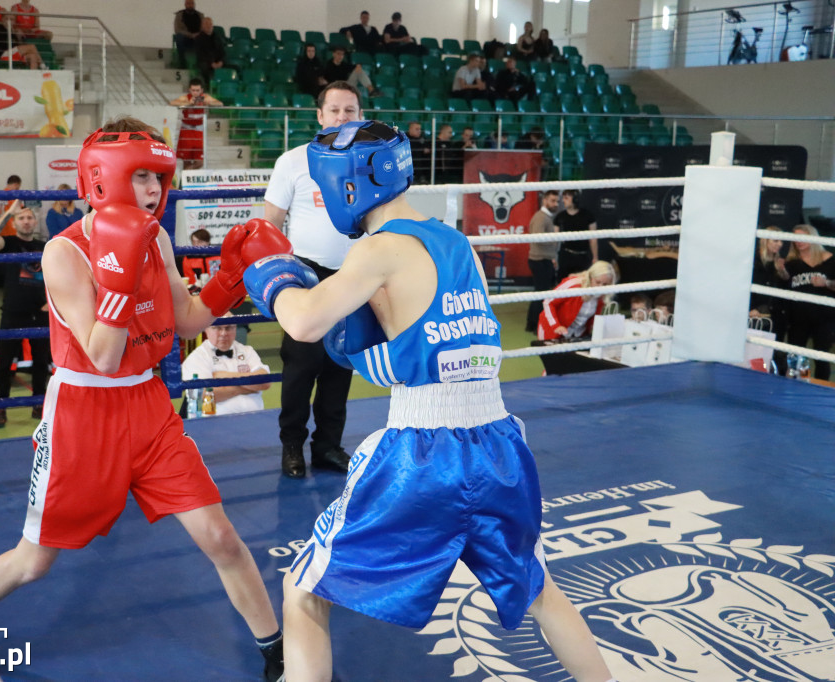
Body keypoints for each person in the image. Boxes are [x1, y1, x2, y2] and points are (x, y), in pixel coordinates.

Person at [241, 119, 615, 682]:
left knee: (303, 590)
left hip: (423, 455)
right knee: (541, 591)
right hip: (497, 443)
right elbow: (450, 346)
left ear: (348, 187)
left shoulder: (377, 251)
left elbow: (306, 322)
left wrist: (273, 276)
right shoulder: (454, 239)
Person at [0, 116, 288, 681]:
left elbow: (186, 323)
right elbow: (102, 355)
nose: (155, 190)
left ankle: (278, 656)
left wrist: (231, 277)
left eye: (160, 176)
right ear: (104, 178)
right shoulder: (65, 254)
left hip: (150, 408)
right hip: (83, 416)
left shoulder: (156, 237)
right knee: (34, 562)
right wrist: (119, 274)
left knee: (220, 536)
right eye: (141, 177)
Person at [262, 82, 361, 478]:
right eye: (334, 110)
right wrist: (278, 276)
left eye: (350, 111)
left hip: (355, 273)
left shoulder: (366, 161)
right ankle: (292, 447)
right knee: (301, 365)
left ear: (360, 115)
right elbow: (269, 224)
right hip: (304, 272)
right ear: (319, 116)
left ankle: (328, 446)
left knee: (341, 363)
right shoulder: (293, 161)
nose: (341, 117)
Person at [0, 201, 50, 427]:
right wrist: (8, 211)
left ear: (35, 222)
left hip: (39, 313)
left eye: (29, 218)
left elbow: (56, 276)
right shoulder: (9, 243)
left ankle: (39, 402)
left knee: (41, 361)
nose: (26, 221)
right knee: (4, 362)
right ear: (15, 222)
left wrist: (51, 303)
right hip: (13, 312)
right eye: (21, 218)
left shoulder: (44, 246)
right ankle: (0, 406)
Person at [182, 312, 272, 416]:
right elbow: (204, 395)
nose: (224, 333)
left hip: (254, 420)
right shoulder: (197, 358)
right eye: (218, 328)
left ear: (235, 328)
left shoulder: (247, 351)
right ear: (206, 329)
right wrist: (249, 386)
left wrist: (222, 376)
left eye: (229, 327)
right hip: (213, 425)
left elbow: (265, 382)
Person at [784, 224, 835, 380]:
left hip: (824, 317)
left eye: (803, 238)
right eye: (796, 238)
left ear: (812, 237)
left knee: (821, 356)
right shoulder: (791, 263)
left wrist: (826, 283)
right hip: (798, 316)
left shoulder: (830, 260)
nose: (799, 242)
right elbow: (785, 285)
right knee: (798, 355)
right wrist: (782, 272)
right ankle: (801, 383)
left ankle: (821, 389)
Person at [538, 260, 616, 342]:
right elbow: (548, 302)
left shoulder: (603, 295)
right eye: (598, 282)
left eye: (605, 284)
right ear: (590, 277)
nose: (600, 287)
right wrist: (556, 325)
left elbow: (593, 319)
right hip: (552, 330)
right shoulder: (573, 285)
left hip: (577, 335)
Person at [750, 226, 789, 371]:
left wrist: (782, 271)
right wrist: (750, 308)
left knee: (777, 350)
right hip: (756, 312)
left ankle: (780, 382)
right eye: (775, 240)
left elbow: (786, 287)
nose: (779, 244)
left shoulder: (779, 262)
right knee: (755, 350)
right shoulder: (753, 259)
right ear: (765, 240)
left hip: (776, 313)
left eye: (781, 241)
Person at [170, 78, 222, 171]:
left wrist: (208, 103)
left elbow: (220, 104)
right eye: (193, 90)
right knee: (186, 161)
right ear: (190, 90)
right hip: (186, 132)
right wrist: (188, 104)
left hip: (198, 132)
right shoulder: (186, 98)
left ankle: (185, 176)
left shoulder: (205, 97)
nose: (195, 93)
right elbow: (172, 103)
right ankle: (186, 181)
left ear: (201, 90)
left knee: (200, 162)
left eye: (197, 90)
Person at [526, 190, 560, 332]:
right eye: (552, 200)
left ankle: (532, 324)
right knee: (542, 294)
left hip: (542, 259)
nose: (556, 204)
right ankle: (534, 324)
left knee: (541, 293)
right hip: (540, 260)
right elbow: (537, 238)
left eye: (557, 201)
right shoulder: (542, 218)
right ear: (544, 200)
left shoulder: (544, 217)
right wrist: (554, 240)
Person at [554, 190, 598, 279]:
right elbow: (555, 240)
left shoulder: (588, 215)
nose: (563, 201)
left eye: (566, 198)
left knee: (583, 282)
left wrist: (595, 257)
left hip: (583, 257)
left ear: (575, 199)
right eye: (563, 198)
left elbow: (593, 239)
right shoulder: (560, 217)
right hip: (566, 255)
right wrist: (553, 257)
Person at [194, 15, 225, 84]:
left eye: (210, 24)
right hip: (206, 62)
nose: (209, 26)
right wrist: (211, 63)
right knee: (204, 68)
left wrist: (221, 62)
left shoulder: (217, 38)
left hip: (218, 62)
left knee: (235, 68)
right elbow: (200, 54)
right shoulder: (198, 39)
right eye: (206, 24)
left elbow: (222, 52)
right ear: (202, 26)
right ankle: (208, 88)